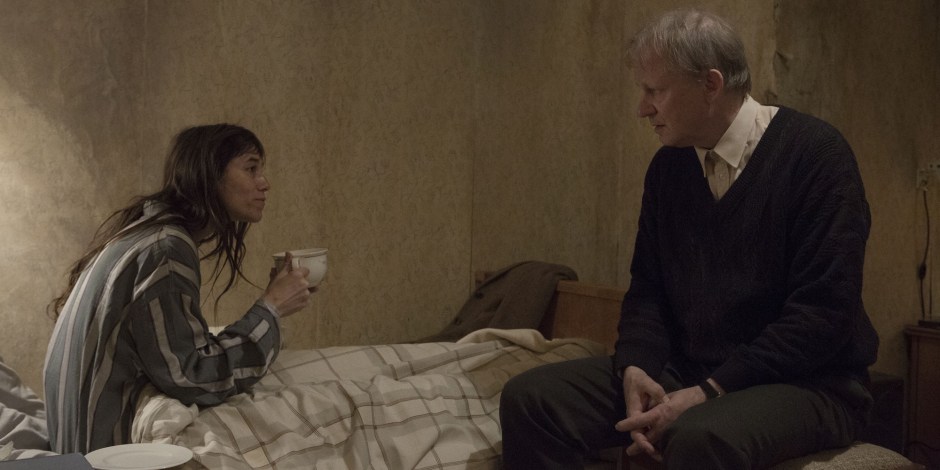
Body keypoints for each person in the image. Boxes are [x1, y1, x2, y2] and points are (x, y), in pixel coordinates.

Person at [499, 8, 878, 469]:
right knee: (531, 398)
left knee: (697, 437)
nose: (642, 108)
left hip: (809, 382)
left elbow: (822, 316)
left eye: (654, 91)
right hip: (693, 369)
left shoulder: (816, 156)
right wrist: (636, 366)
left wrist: (709, 391)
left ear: (711, 85)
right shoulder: (669, 167)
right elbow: (648, 291)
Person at [43, 124, 314, 454]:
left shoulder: (146, 234)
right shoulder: (166, 249)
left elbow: (177, 354)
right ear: (209, 174)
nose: (264, 183)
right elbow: (192, 377)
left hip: (78, 443)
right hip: (101, 454)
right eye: (251, 168)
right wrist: (272, 307)